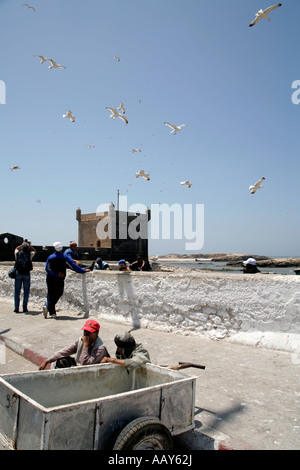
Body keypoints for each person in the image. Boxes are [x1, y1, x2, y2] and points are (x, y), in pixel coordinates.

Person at [43, 241, 91, 319]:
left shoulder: (51, 257)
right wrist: (83, 270)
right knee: (58, 293)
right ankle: (52, 312)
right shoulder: (64, 257)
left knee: (52, 294)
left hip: (51, 278)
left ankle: (48, 307)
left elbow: (47, 269)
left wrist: (54, 274)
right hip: (58, 278)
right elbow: (73, 266)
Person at [38, 319, 110, 370]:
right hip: (82, 369)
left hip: (95, 373)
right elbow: (65, 351)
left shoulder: (100, 348)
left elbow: (85, 364)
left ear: (97, 333)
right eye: (85, 331)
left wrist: (85, 345)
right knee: (62, 361)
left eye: (89, 332)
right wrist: (47, 361)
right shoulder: (80, 340)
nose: (86, 334)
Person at [14, 241, 36, 313]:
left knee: (17, 291)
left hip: (18, 273)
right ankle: (24, 308)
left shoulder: (17, 253)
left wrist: (22, 245)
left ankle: (16, 308)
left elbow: (16, 248)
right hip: (26, 273)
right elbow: (34, 251)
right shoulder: (30, 254)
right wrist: (29, 245)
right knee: (26, 291)